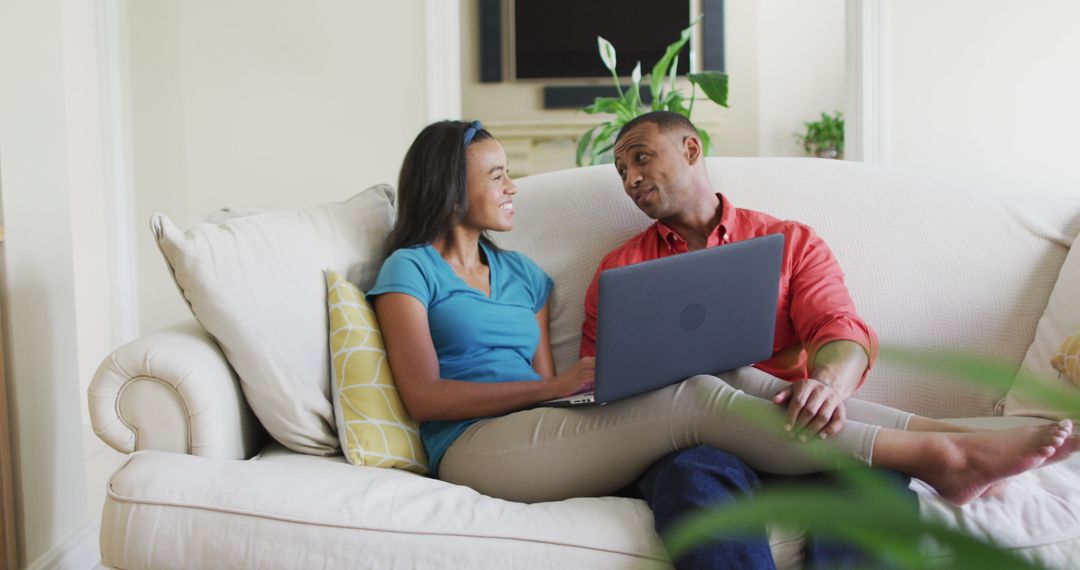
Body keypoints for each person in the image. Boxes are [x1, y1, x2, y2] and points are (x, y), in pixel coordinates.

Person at [369, 119, 1076, 519]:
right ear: (446, 185)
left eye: (504, 171)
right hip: (472, 445)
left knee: (730, 372)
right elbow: (426, 396)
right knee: (699, 391)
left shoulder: (525, 275)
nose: (510, 185)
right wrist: (559, 389)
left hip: (548, 432)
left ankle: (968, 436)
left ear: (691, 152)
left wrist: (576, 389)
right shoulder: (410, 269)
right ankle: (942, 459)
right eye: (495, 174)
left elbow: (558, 387)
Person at [581, 110, 916, 569]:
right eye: (622, 172)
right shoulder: (618, 271)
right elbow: (595, 386)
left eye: (641, 159)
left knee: (879, 479)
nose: (631, 179)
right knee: (691, 478)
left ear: (691, 149)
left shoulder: (789, 241)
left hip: (794, 429)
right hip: (695, 448)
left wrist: (828, 386)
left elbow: (839, 328)